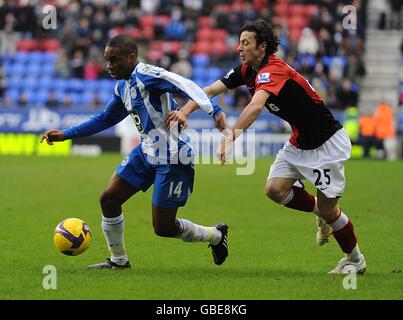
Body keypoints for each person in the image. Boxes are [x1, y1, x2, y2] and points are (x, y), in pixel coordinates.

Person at [167, 21, 366, 274]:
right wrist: (185, 111)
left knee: (331, 211)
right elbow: (209, 90)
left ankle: (355, 259)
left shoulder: (274, 70)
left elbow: (255, 107)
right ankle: (321, 212)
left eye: (246, 43)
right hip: (299, 141)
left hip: (327, 143)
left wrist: (230, 138)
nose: (239, 48)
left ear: (262, 47)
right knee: (275, 190)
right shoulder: (247, 70)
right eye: (239, 42)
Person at [40, 35, 229, 269]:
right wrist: (66, 134)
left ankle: (216, 235)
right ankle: (118, 261)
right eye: (107, 60)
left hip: (173, 157)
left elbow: (184, 83)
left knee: (164, 228)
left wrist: (215, 110)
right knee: (108, 199)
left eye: (115, 60)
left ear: (132, 58)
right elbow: (106, 118)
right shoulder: (122, 85)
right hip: (146, 151)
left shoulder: (148, 74)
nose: (110, 65)